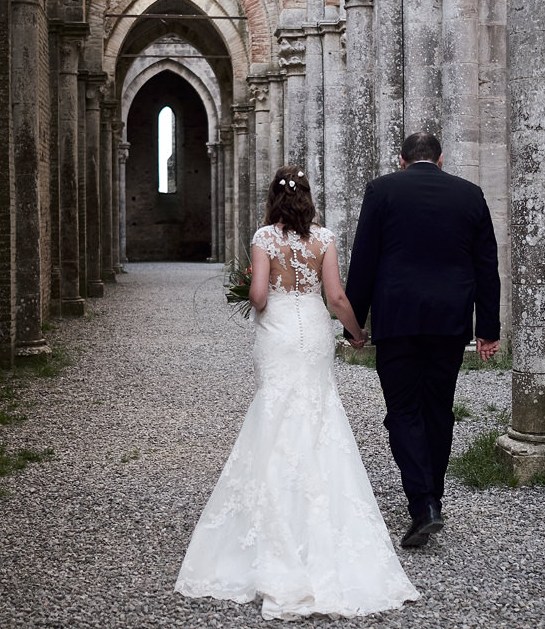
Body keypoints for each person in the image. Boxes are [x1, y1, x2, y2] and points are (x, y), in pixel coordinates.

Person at [175, 165, 420, 620]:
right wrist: (357, 333)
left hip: (281, 333)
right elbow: (337, 298)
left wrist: (251, 293)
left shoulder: (264, 237)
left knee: (275, 411)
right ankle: (323, 526)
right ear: (308, 197)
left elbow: (261, 295)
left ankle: (268, 520)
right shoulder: (324, 239)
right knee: (319, 411)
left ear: (274, 198)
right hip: (314, 336)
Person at [344, 132, 501, 548]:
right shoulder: (470, 194)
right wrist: (488, 329)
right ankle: (433, 496)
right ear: (441, 158)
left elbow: (365, 258)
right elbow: (486, 263)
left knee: (402, 411)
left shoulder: (382, 190)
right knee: (438, 408)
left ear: (401, 160)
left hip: (398, 319)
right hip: (449, 321)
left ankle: (423, 504)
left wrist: (354, 325)